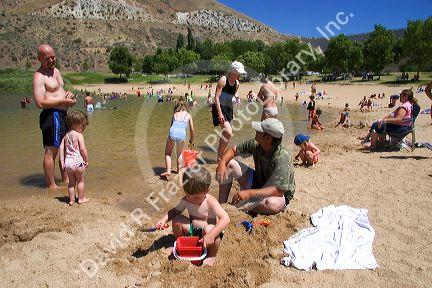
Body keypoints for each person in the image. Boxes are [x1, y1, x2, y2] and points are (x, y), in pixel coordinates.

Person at [216, 118, 295, 215]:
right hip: (259, 181)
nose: (256, 131)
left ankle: (240, 207)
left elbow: (279, 190)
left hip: (277, 195)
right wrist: (222, 163)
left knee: (271, 204)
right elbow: (233, 150)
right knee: (229, 164)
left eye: (259, 131)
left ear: (268, 139)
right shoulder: (257, 143)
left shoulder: (282, 158)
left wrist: (249, 193)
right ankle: (221, 205)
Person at [155, 167, 229, 266]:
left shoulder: (210, 202)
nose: (191, 200)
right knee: (177, 220)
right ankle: (181, 244)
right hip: (192, 231)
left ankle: (211, 255)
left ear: (207, 191)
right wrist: (163, 220)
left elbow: (226, 218)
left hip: (208, 236)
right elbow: (174, 212)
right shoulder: (186, 200)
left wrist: (211, 235)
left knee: (208, 229)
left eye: (196, 197)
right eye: (188, 195)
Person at [33, 44, 76, 189]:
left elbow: (59, 91)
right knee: (51, 150)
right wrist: (63, 101)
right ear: (39, 59)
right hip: (52, 115)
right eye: (47, 58)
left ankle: (65, 180)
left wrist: (68, 95)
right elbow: (40, 102)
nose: (51, 60)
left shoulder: (56, 71)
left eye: (53, 57)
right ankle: (51, 185)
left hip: (63, 114)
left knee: (65, 148)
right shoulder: (39, 76)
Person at [212, 61, 245, 160]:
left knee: (226, 133)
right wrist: (220, 114)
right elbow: (216, 98)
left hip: (228, 109)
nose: (240, 75)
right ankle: (220, 156)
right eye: (238, 72)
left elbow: (231, 97)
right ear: (233, 71)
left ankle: (219, 156)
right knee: (228, 131)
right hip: (219, 108)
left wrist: (233, 113)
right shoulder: (223, 80)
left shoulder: (237, 83)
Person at [59, 111, 89, 206]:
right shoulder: (79, 135)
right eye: (82, 126)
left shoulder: (66, 135)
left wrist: (62, 161)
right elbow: (82, 148)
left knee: (71, 183)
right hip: (77, 162)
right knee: (80, 181)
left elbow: (61, 148)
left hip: (68, 163)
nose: (84, 128)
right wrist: (86, 159)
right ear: (75, 124)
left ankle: (71, 200)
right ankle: (81, 198)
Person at [161, 100, 195, 179]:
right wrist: (191, 139)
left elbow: (171, 126)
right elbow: (192, 130)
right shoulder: (189, 115)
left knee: (167, 153)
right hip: (181, 134)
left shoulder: (175, 114)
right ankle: (178, 170)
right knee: (179, 153)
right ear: (186, 108)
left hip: (172, 132)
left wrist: (170, 137)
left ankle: (168, 170)